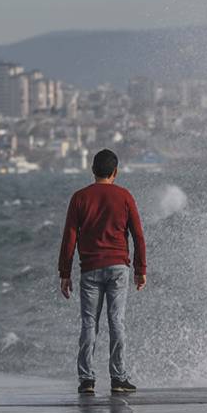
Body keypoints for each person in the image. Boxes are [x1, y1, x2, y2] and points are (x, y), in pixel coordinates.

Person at [58, 149, 147, 395]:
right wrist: (141, 269)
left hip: (90, 269)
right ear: (115, 172)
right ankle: (118, 378)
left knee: (89, 323)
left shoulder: (79, 197)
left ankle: (86, 379)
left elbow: (70, 238)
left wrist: (64, 272)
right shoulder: (125, 196)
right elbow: (138, 235)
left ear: (92, 170)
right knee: (116, 321)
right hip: (119, 267)